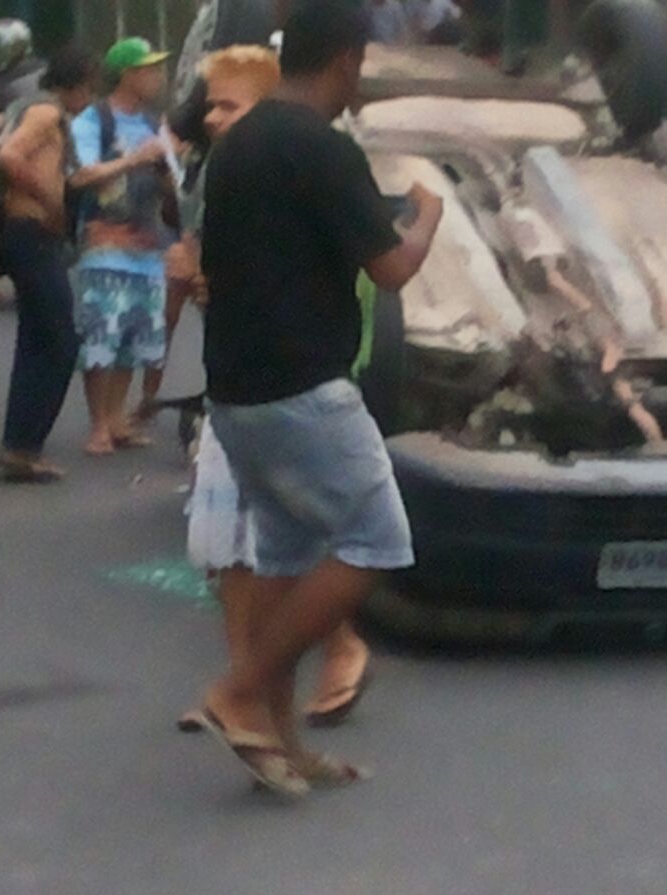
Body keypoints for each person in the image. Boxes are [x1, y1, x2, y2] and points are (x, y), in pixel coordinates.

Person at [198, 0, 444, 798]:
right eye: (361, 64)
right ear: (345, 60)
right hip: (306, 389)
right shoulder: (322, 149)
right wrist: (428, 214)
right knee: (376, 538)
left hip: (236, 392)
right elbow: (392, 269)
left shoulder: (238, 146)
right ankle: (238, 693)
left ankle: (280, 738)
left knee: (289, 558)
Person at [178, 44, 379, 738]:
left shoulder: (309, 164)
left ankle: (260, 683)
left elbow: (366, 276)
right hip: (244, 384)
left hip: (287, 384)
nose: (212, 118)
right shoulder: (226, 172)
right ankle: (257, 706)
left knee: (341, 539)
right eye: (209, 104)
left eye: (227, 105)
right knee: (243, 549)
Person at [70, 37, 176, 457]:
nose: (156, 77)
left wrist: (169, 170)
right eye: (148, 69)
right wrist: (135, 159)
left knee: (135, 336)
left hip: (148, 247)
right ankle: (97, 423)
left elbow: (173, 187)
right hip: (104, 244)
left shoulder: (154, 122)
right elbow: (81, 174)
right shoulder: (94, 119)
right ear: (127, 74)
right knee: (102, 336)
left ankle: (117, 418)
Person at [0, 47, 95, 483]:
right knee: (59, 340)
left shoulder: (20, 108)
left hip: (19, 234)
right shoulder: (46, 112)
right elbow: (10, 156)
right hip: (31, 232)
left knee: (37, 335)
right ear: (78, 86)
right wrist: (51, 202)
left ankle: (22, 443)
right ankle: (23, 446)